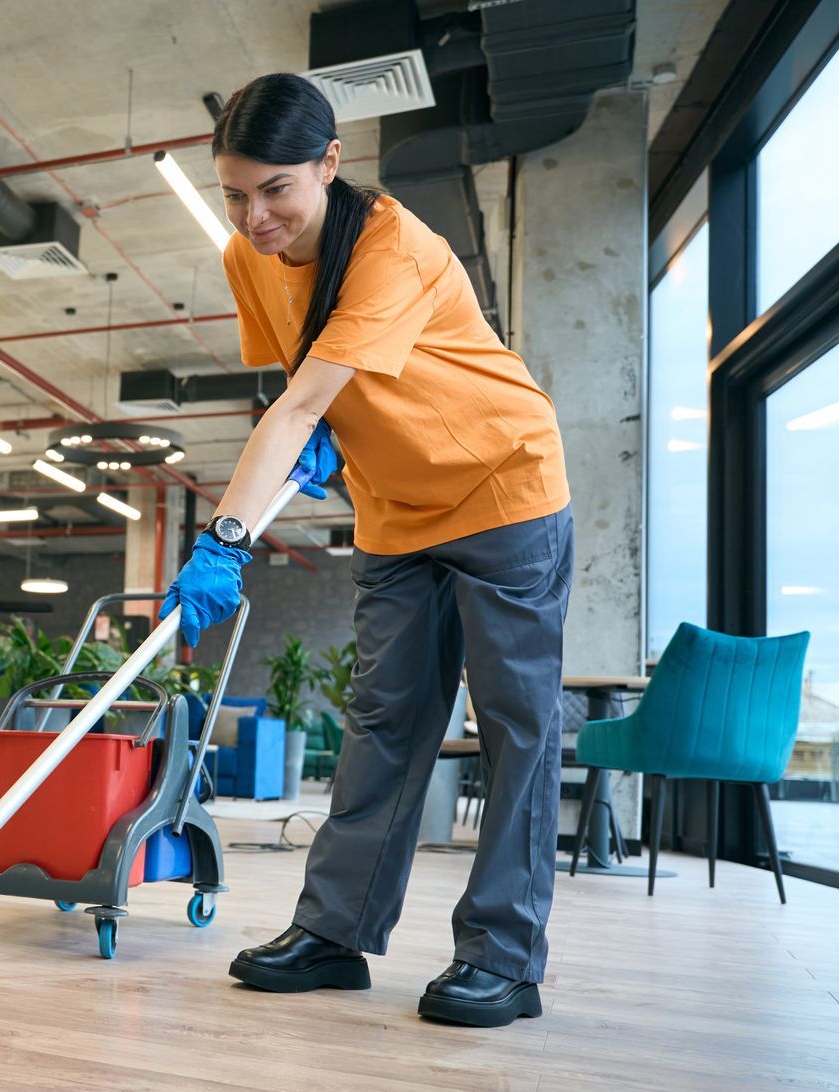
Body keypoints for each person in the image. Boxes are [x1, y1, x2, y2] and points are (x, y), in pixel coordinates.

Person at [162, 74, 574, 1028]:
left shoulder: (391, 246)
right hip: (394, 507)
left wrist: (225, 535)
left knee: (517, 727)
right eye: (235, 192)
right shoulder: (244, 257)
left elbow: (301, 401)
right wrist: (316, 448)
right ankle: (334, 933)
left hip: (500, 485)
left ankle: (504, 960)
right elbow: (304, 389)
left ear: (329, 164)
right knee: (385, 718)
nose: (254, 215)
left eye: (276, 189)